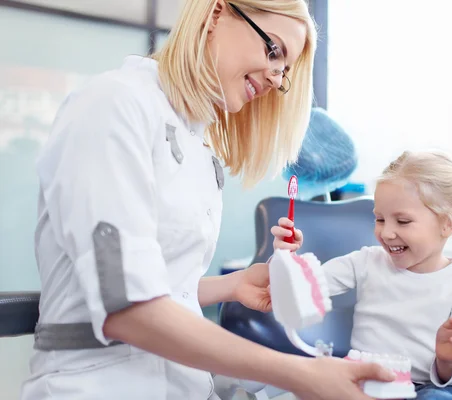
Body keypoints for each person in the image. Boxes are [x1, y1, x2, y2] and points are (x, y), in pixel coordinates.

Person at [20, 1, 397, 399]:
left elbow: (159, 282)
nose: (274, 78)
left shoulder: (198, 144)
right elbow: (128, 308)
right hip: (97, 385)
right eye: (274, 52)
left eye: (284, 72)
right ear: (217, 13)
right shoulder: (114, 104)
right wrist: (301, 374)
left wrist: (232, 285)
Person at [272, 150, 452, 399]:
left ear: (448, 223)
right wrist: (285, 257)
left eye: (402, 221)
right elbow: (300, 286)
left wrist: (447, 360)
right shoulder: (366, 261)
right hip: (365, 382)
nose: (387, 233)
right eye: (379, 219)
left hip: (430, 388)